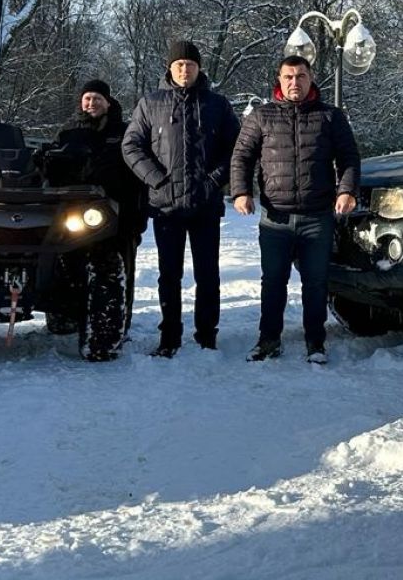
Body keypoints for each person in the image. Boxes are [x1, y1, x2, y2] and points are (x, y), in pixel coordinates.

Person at [229, 55, 360, 364]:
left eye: (300, 76)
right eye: (288, 76)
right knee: (273, 281)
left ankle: (315, 342)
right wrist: (241, 192)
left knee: (316, 283)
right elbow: (241, 157)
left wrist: (346, 190)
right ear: (279, 79)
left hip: (317, 217)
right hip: (275, 218)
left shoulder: (330, 117)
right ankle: (268, 340)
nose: (294, 82)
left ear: (310, 78)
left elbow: (349, 157)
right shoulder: (262, 117)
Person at [122, 40, 240, 357]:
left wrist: (215, 180)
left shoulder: (217, 105)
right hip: (166, 207)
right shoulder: (150, 104)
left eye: (190, 64)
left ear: (199, 68)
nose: (184, 69)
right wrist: (157, 179)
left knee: (208, 275)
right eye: (179, 64)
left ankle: (206, 335)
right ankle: (169, 336)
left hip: (205, 205)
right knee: (169, 276)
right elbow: (131, 146)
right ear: (170, 68)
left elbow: (237, 149)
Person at [54, 79, 146, 335]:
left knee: (118, 270)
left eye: (97, 98)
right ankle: (64, 318)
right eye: (87, 99)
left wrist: (137, 215)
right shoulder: (68, 133)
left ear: (107, 102)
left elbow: (138, 176)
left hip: (119, 213)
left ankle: (117, 326)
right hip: (72, 214)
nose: (91, 103)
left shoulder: (125, 132)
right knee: (67, 266)